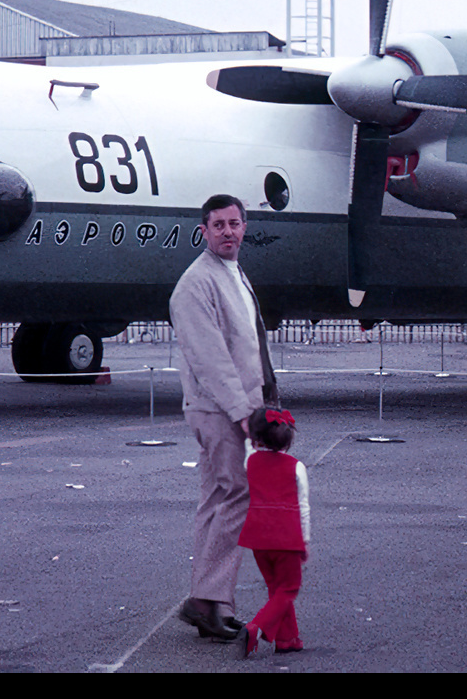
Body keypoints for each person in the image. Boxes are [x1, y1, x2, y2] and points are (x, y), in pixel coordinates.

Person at [169, 195, 279, 640]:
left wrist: (265, 395)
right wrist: (242, 414)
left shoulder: (231, 273)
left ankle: (213, 604)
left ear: (245, 226)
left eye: (235, 223)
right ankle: (204, 600)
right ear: (204, 231)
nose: (228, 232)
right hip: (219, 410)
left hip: (234, 406)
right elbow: (210, 358)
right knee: (238, 498)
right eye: (219, 226)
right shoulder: (195, 284)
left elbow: (250, 341)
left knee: (217, 500)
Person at [233, 407, 311, 659]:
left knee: (275, 588)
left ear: (256, 438)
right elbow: (304, 508)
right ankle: (256, 627)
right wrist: (305, 540)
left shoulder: (250, 461)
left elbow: (249, 446)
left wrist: (248, 432)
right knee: (289, 588)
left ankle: (288, 639)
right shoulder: (296, 467)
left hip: (258, 537)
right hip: (286, 538)